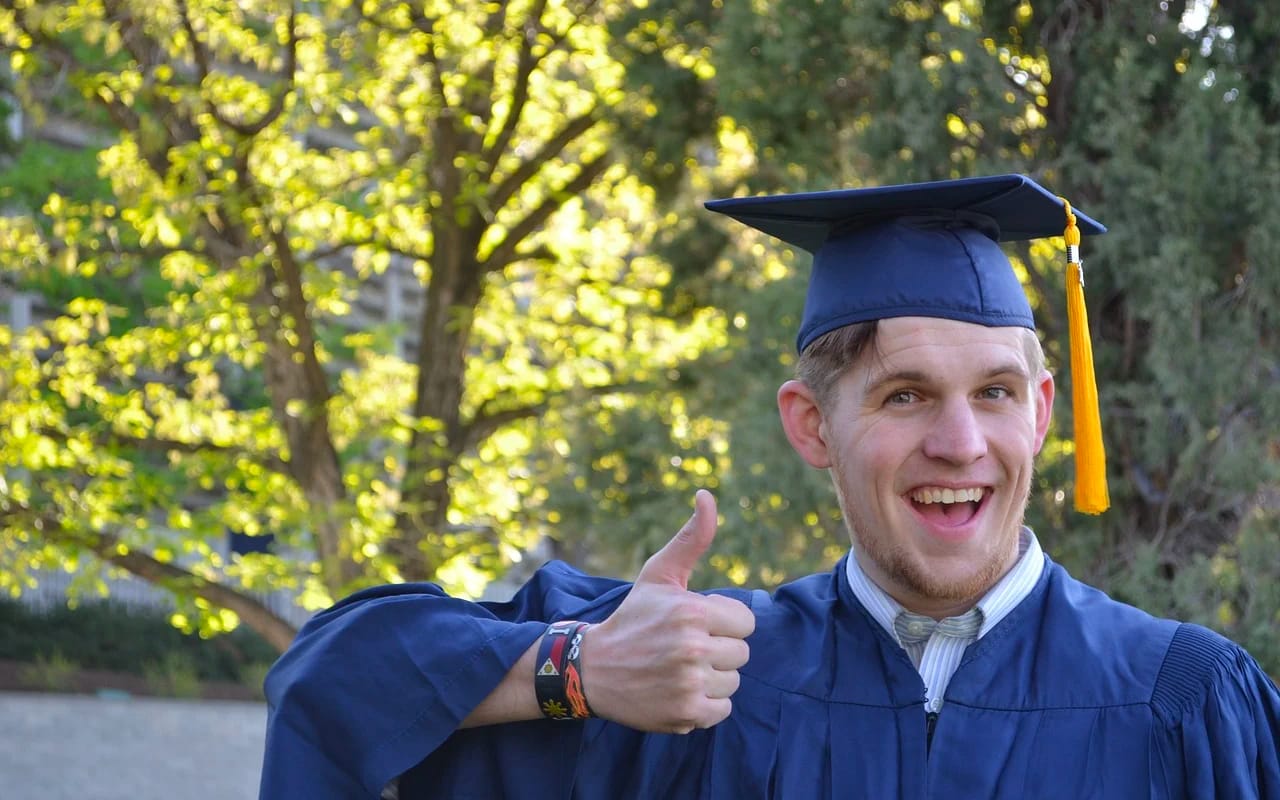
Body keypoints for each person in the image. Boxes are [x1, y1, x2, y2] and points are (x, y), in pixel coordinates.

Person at [259, 174, 1280, 799]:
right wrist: (573, 668)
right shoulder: (695, 675)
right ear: (810, 425)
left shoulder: (1182, 700)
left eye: (995, 392)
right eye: (905, 394)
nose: (960, 441)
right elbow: (330, 681)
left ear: (1043, 411)